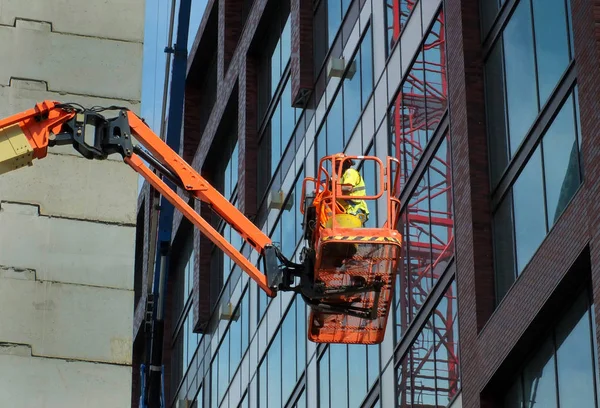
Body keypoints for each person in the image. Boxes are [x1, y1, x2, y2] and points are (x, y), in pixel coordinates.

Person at [333, 154, 369, 225]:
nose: (336, 167)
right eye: (335, 165)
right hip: (348, 211)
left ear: (346, 164)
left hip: (355, 210)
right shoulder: (341, 179)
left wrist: (333, 189)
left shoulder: (350, 172)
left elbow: (348, 188)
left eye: (339, 164)